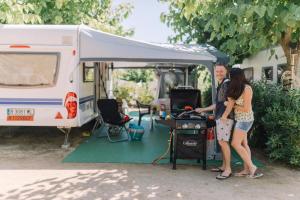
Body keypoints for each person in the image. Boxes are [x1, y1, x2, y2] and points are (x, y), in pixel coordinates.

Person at [221, 68, 263, 179]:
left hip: (245, 120)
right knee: (244, 144)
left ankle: (252, 167)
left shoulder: (247, 88)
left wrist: (230, 105)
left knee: (235, 144)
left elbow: (246, 108)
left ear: (234, 77)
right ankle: (246, 170)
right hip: (240, 119)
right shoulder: (238, 87)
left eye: (230, 76)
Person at [196, 64, 234, 180]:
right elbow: (219, 104)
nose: (218, 73)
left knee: (223, 142)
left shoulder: (226, 84)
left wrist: (224, 116)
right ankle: (223, 166)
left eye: (221, 71)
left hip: (225, 118)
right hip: (221, 117)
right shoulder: (221, 84)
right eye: (217, 71)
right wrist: (204, 110)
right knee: (222, 142)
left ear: (226, 71)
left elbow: (231, 102)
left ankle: (228, 169)